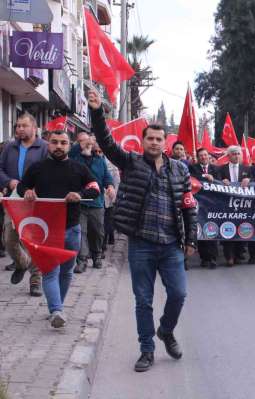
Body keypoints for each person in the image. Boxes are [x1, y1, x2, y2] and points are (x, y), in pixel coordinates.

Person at [88, 90, 198, 373]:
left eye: (159, 139)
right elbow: (106, 142)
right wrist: (98, 112)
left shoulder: (180, 171)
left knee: (179, 294)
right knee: (143, 300)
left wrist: (191, 241)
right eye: (149, 138)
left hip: (172, 244)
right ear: (143, 141)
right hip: (141, 244)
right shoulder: (131, 163)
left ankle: (166, 330)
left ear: (166, 142)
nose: (154, 142)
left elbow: (188, 207)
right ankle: (146, 350)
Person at [17, 130, 100, 328]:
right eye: (54, 142)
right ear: (48, 144)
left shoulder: (79, 168)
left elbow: (95, 189)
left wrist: (80, 194)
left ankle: (57, 308)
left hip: (72, 228)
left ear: (69, 144)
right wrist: (27, 191)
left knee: (67, 272)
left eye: (63, 142)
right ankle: (56, 310)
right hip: (46, 231)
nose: (59, 146)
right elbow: (21, 186)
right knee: (50, 271)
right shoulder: (37, 168)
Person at [0, 112, 47, 296]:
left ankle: (36, 281)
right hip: (12, 199)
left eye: (23, 126)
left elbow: (48, 171)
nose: (19, 129)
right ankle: (22, 263)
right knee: (10, 240)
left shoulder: (43, 147)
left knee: (32, 241)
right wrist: (9, 182)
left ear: (34, 128)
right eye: (17, 126)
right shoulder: (10, 147)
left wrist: (36, 188)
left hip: (34, 200)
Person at [70, 133, 115, 273]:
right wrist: (80, 144)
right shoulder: (74, 158)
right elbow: (71, 152)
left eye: (89, 141)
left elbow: (107, 177)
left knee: (97, 231)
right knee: (81, 232)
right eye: (83, 141)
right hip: (79, 202)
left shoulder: (100, 160)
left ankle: (97, 256)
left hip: (96, 202)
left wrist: (110, 187)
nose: (87, 143)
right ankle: (81, 260)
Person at [218, 145, 250, 266]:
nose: (236, 156)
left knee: (241, 228)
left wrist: (249, 180)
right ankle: (229, 256)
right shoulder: (221, 169)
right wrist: (221, 182)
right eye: (234, 154)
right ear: (229, 155)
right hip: (227, 205)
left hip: (242, 205)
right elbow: (215, 182)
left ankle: (238, 255)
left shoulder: (247, 169)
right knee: (228, 228)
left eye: (238, 154)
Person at [189, 148, 219, 269]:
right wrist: (205, 176)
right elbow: (192, 178)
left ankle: (213, 258)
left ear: (208, 156)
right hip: (200, 204)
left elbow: (221, 181)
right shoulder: (193, 168)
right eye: (201, 155)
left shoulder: (216, 169)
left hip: (213, 204)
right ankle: (204, 258)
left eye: (205, 155)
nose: (203, 157)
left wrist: (214, 179)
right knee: (201, 230)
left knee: (212, 230)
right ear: (198, 157)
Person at [102, 147, 120, 255]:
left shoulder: (111, 163)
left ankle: (104, 244)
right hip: (97, 197)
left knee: (107, 221)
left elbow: (116, 181)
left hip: (109, 196)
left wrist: (114, 196)